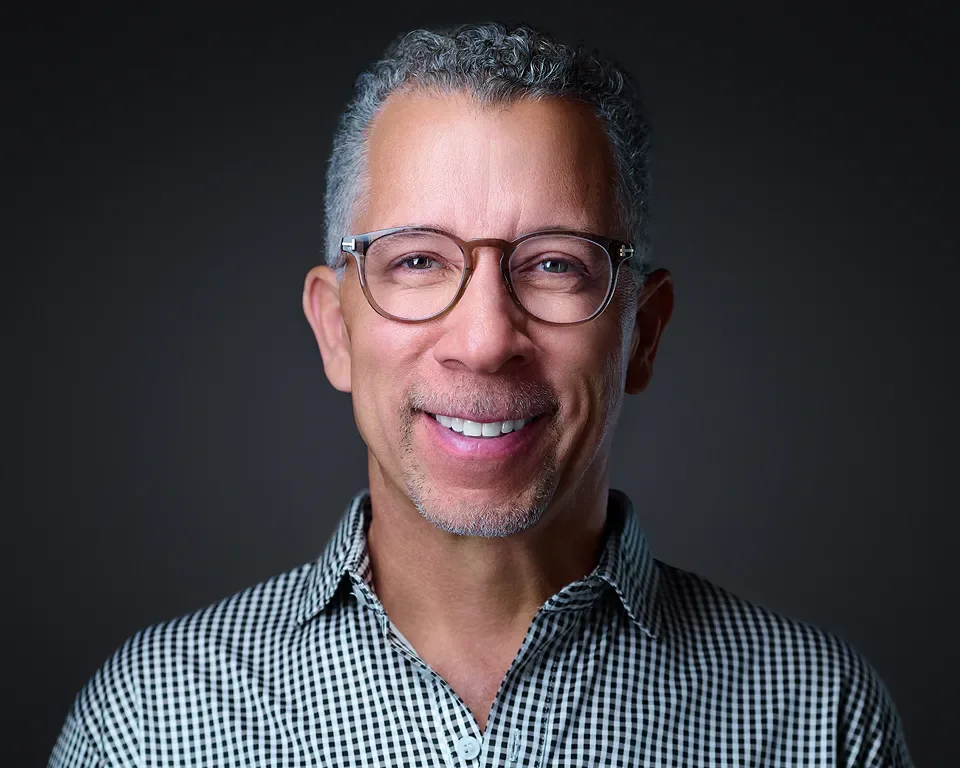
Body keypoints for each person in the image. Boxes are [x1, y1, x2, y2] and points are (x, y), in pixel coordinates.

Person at [49, 22, 913, 767]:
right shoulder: (149, 724)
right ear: (336, 329)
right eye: (418, 260)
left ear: (642, 335)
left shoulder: (819, 719)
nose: (485, 340)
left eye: (555, 264)